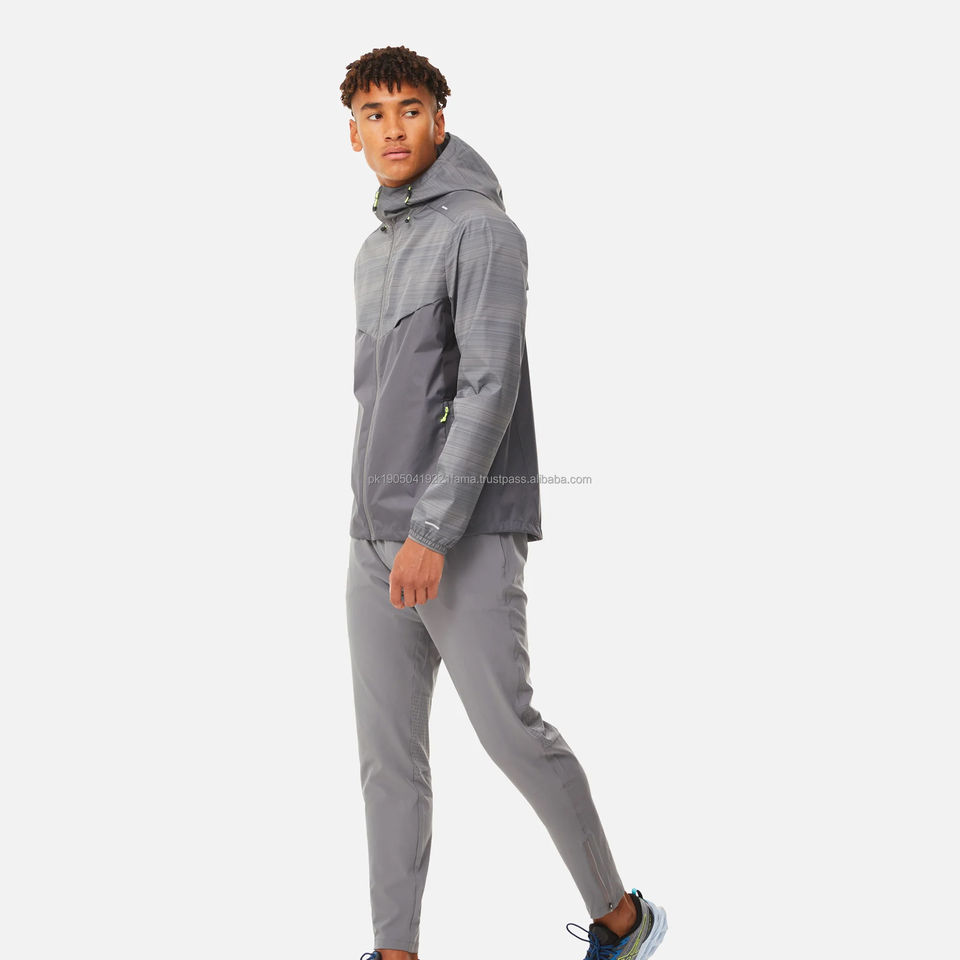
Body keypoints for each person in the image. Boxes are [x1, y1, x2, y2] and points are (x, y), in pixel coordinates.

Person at [340, 45, 667, 960]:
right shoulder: (375, 249)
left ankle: (622, 919)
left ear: (439, 118)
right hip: (372, 539)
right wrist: (373, 528)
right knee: (387, 761)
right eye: (373, 114)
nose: (393, 129)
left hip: (464, 533)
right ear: (353, 133)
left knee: (509, 733)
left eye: (410, 109)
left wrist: (430, 530)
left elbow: (488, 388)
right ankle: (395, 951)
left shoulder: (483, 231)